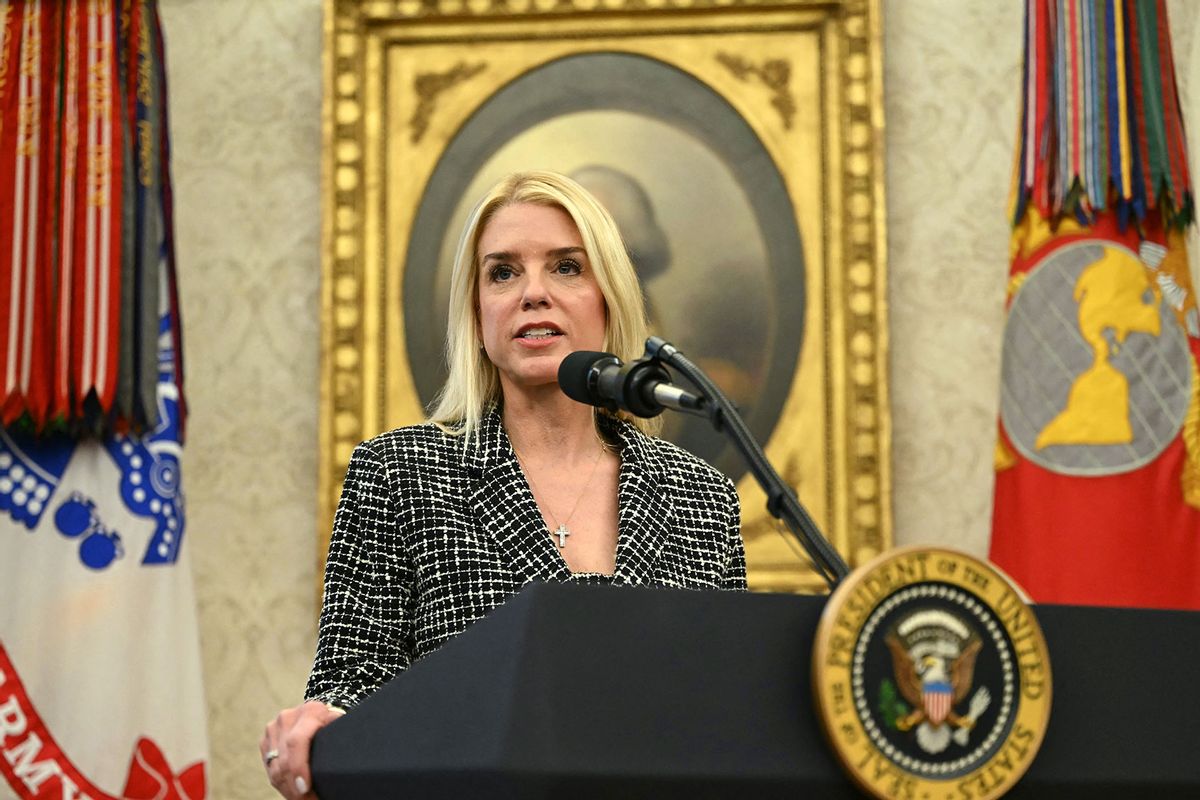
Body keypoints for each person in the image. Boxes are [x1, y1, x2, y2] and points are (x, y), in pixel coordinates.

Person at [260, 170, 747, 798]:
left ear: (610, 297)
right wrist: (318, 726)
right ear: (478, 312)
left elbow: (727, 717)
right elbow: (352, 686)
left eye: (567, 267)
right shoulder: (399, 474)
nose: (533, 294)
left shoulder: (698, 495)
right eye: (503, 272)